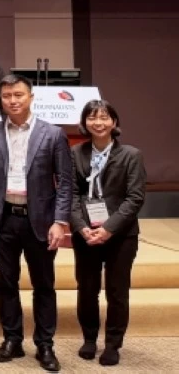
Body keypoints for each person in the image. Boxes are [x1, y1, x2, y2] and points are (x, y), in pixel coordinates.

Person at [0, 75, 73, 372]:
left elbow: (66, 183)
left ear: (30, 97)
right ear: (1, 100)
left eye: (18, 94)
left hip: (42, 222)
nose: (13, 100)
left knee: (43, 285)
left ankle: (45, 344)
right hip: (3, 218)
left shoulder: (52, 134)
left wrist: (60, 221)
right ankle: (12, 340)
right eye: (7, 96)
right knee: (6, 283)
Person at [70, 100, 146, 367]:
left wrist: (109, 228)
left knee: (117, 291)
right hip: (86, 234)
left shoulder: (131, 155)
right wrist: (81, 227)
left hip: (121, 235)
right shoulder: (76, 153)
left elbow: (135, 198)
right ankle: (89, 339)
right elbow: (70, 195)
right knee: (87, 289)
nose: (98, 122)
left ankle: (113, 344)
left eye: (104, 117)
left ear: (114, 122)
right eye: (92, 117)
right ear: (85, 122)